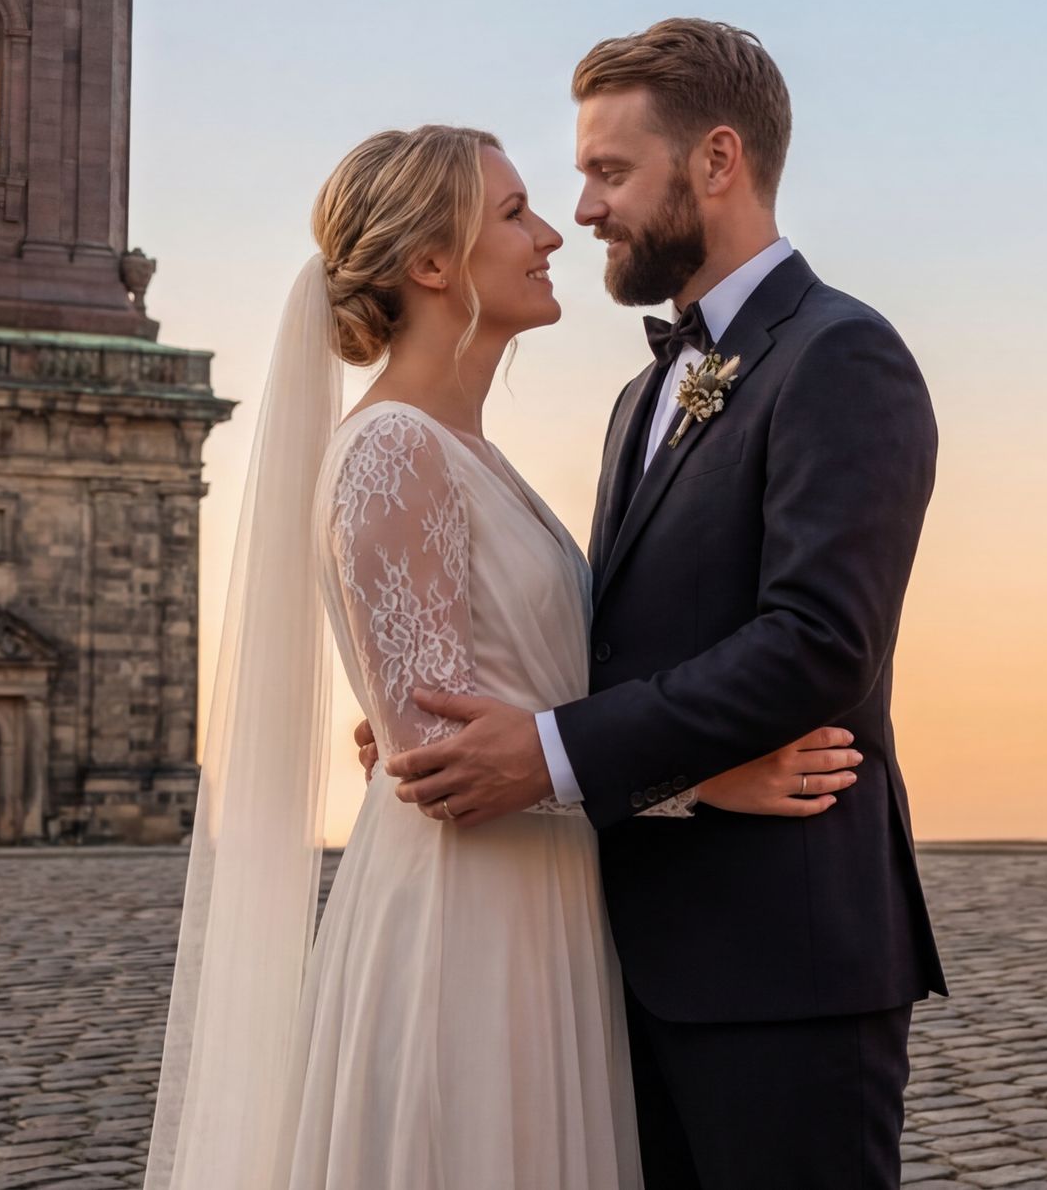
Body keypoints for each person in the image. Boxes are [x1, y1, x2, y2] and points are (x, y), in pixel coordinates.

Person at [143, 123, 855, 1190]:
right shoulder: (391, 450)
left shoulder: (465, 448)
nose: (552, 234)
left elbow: (480, 701)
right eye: (514, 213)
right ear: (432, 265)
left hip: (537, 907)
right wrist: (707, 782)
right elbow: (443, 766)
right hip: (463, 929)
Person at [378, 20, 946, 1188]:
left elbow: (819, 643)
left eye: (609, 171)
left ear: (717, 162)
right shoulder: (642, 395)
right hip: (615, 967)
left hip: (783, 970)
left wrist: (544, 751)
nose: (583, 209)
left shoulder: (842, 356)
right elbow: (620, 654)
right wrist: (450, 717)